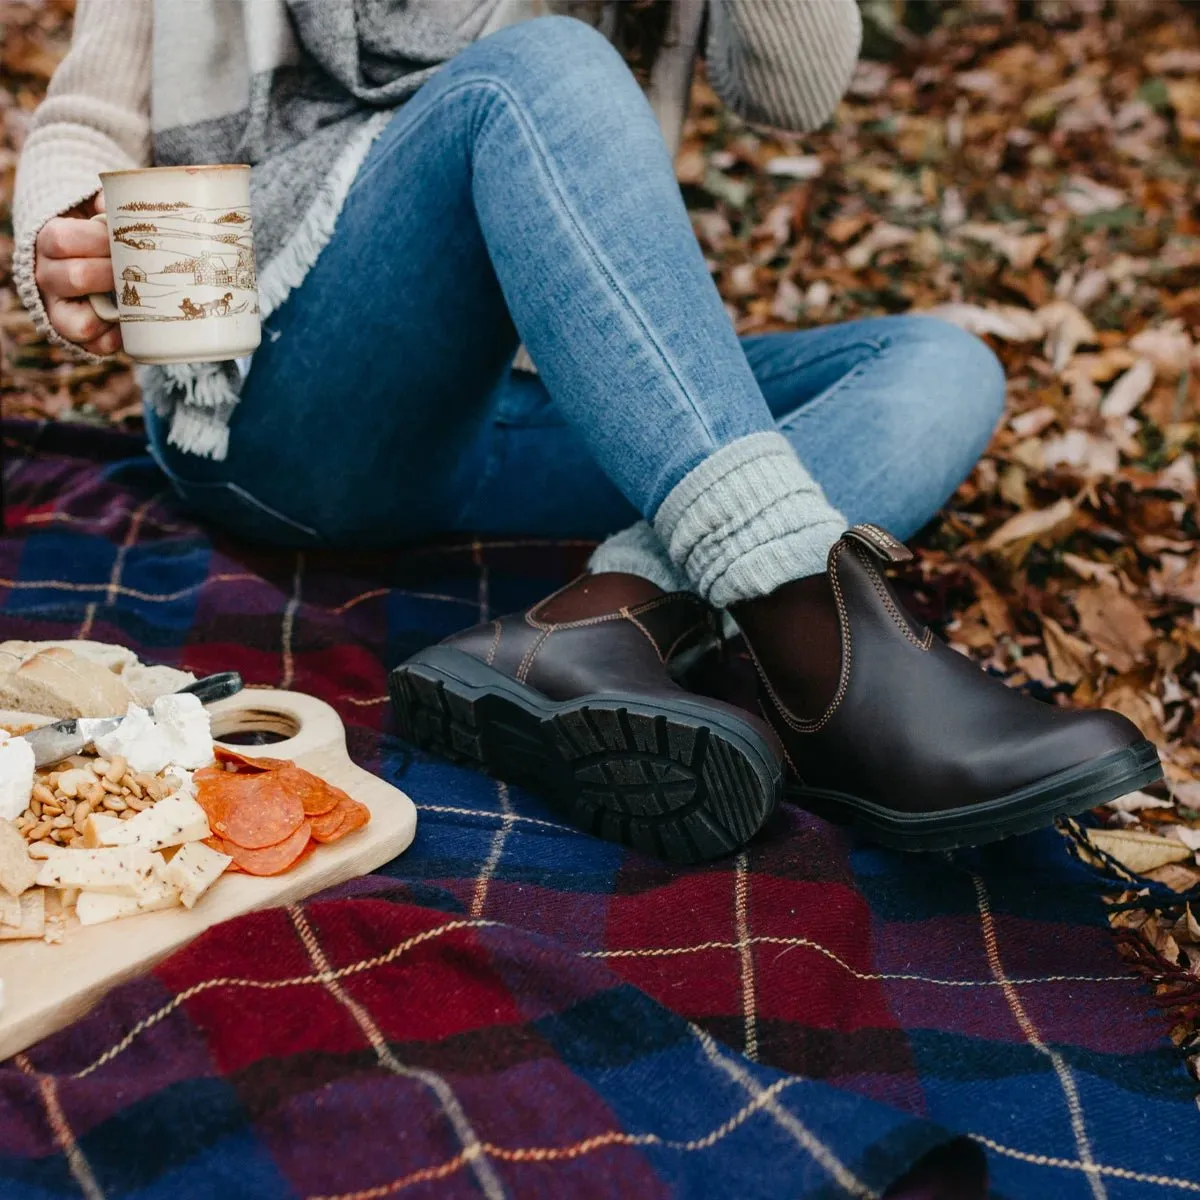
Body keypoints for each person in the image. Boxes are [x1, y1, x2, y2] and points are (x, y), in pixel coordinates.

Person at [14, 0, 1160, 866]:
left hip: (545, 400)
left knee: (937, 370)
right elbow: (88, 116)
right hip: (294, 406)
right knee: (542, 68)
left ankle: (605, 617)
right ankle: (810, 627)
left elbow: (796, 89)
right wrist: (62, 236)